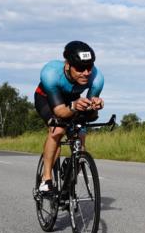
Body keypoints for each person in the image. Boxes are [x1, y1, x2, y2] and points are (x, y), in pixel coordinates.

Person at [33, 41, 105, 195]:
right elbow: (59, 112)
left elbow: (90, 116)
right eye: (80, 68)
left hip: (73, 100)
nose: (86, 73)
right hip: (47, 99)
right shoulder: (50, 73)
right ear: (67, 65)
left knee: (80, 139)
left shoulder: (97, 78)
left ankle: (68, 184)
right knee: (58, 130)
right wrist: (73, 106)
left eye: (89, 67)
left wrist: (94, 106)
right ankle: (46, 180)